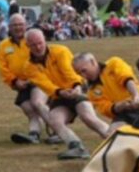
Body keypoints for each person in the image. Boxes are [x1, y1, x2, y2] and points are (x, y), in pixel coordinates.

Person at [19, 29, 108, 160]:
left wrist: (76, 87)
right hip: (59, 96)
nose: (38, 47)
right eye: (33, 45)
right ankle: (76, 147)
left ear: (45, 40)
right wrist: (60, 92)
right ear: (27, 46)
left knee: (88, 117)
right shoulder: (28, 66)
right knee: (55, 120)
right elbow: (45, 84)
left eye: (40, 43)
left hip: (77, 89)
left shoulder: (60, 51)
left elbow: (69, 72)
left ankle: (118, 140)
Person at [0, 14, 53, 144]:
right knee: (29, 109)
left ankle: (58, 130)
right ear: (9, 27)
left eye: (20, 24)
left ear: (25, 25)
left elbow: (44, 57)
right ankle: (34, 134)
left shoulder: (32, 39)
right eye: (14, 25)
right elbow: (3, 68)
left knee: (37, 103)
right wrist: (15, 81)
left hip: (38, 79)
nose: (18, 27)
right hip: (20, 83)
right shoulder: (3, 46)